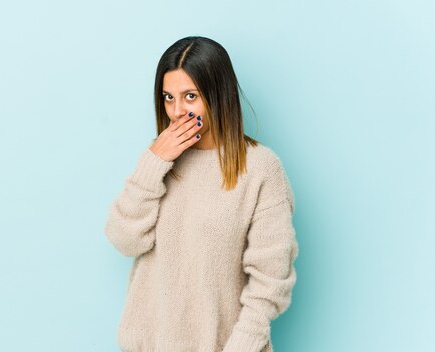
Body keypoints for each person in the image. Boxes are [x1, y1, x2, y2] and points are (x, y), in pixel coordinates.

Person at [103, 36, 299, 352]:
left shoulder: (261, 169)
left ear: (218, 94)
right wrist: (154, 162)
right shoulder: (159, 162)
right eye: (168, 97)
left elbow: (270, 283)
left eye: (190, 96)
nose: (177, 111)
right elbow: (124, 240)